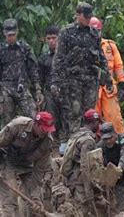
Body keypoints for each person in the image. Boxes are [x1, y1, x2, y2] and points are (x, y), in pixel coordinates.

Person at [50, 2, 112, 141]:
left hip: (90, 80)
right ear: (77, 15)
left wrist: (107, 77)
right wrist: (55, 81)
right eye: (85, 16)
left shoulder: (94, 34)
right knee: (74, 113)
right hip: (72, 81)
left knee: (89, 115)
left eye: (90, 17)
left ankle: (86, 143)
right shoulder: (66, 33)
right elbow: (58, 58)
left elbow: (101, 56)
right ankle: (73, 145)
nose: (88, 19)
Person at [0, 112, 55, 216]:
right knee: (11, 198)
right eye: (43, 129)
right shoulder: (18, 126)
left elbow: (38, 172)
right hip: (6, 160)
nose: (45, 132)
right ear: (36, 124)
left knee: (32, 202)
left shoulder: (47, 142)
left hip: (26, 164)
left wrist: (35, 197)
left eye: (48, 130)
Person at [0, 18, 43, 127]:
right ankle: (7, 144)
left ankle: (34, 142)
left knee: (33, 117)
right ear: (4, 34)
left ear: (17, 32)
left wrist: (38, 90)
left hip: (22, 86)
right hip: (6, 88)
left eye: (13, 35)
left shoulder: (25, 48)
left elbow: (33, 71)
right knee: (7, 122)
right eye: (9, 35)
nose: (11, 37)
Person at [89, 17, 124, 134]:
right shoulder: (84, 47)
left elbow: (118, 66)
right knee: (93, 119)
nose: (96, 34)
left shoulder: (110, 46)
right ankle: (94, 145)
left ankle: (121, 142)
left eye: (98, 30)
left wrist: (122, 84)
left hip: (109, 87)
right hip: (91, 88)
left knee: (115, 118)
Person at [62, 109, 103, 216]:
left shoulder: (77, 135)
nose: (99, 125)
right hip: (80, 181)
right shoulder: (88, 141)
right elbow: (85, 167)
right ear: (94, 123)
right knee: (83, 211)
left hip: (72, 178)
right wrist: (89, 191)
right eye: (98, 122)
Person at [38, 25, 67, 154]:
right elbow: (39, 79)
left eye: (54, 38)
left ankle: (67, 148)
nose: (51, 41)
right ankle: (54, 150)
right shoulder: (43, 59)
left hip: (66, 92)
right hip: (50, 94)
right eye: (48, 38)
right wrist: (40, 94)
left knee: (67, 120)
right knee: (51, 121)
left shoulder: (67, 56)